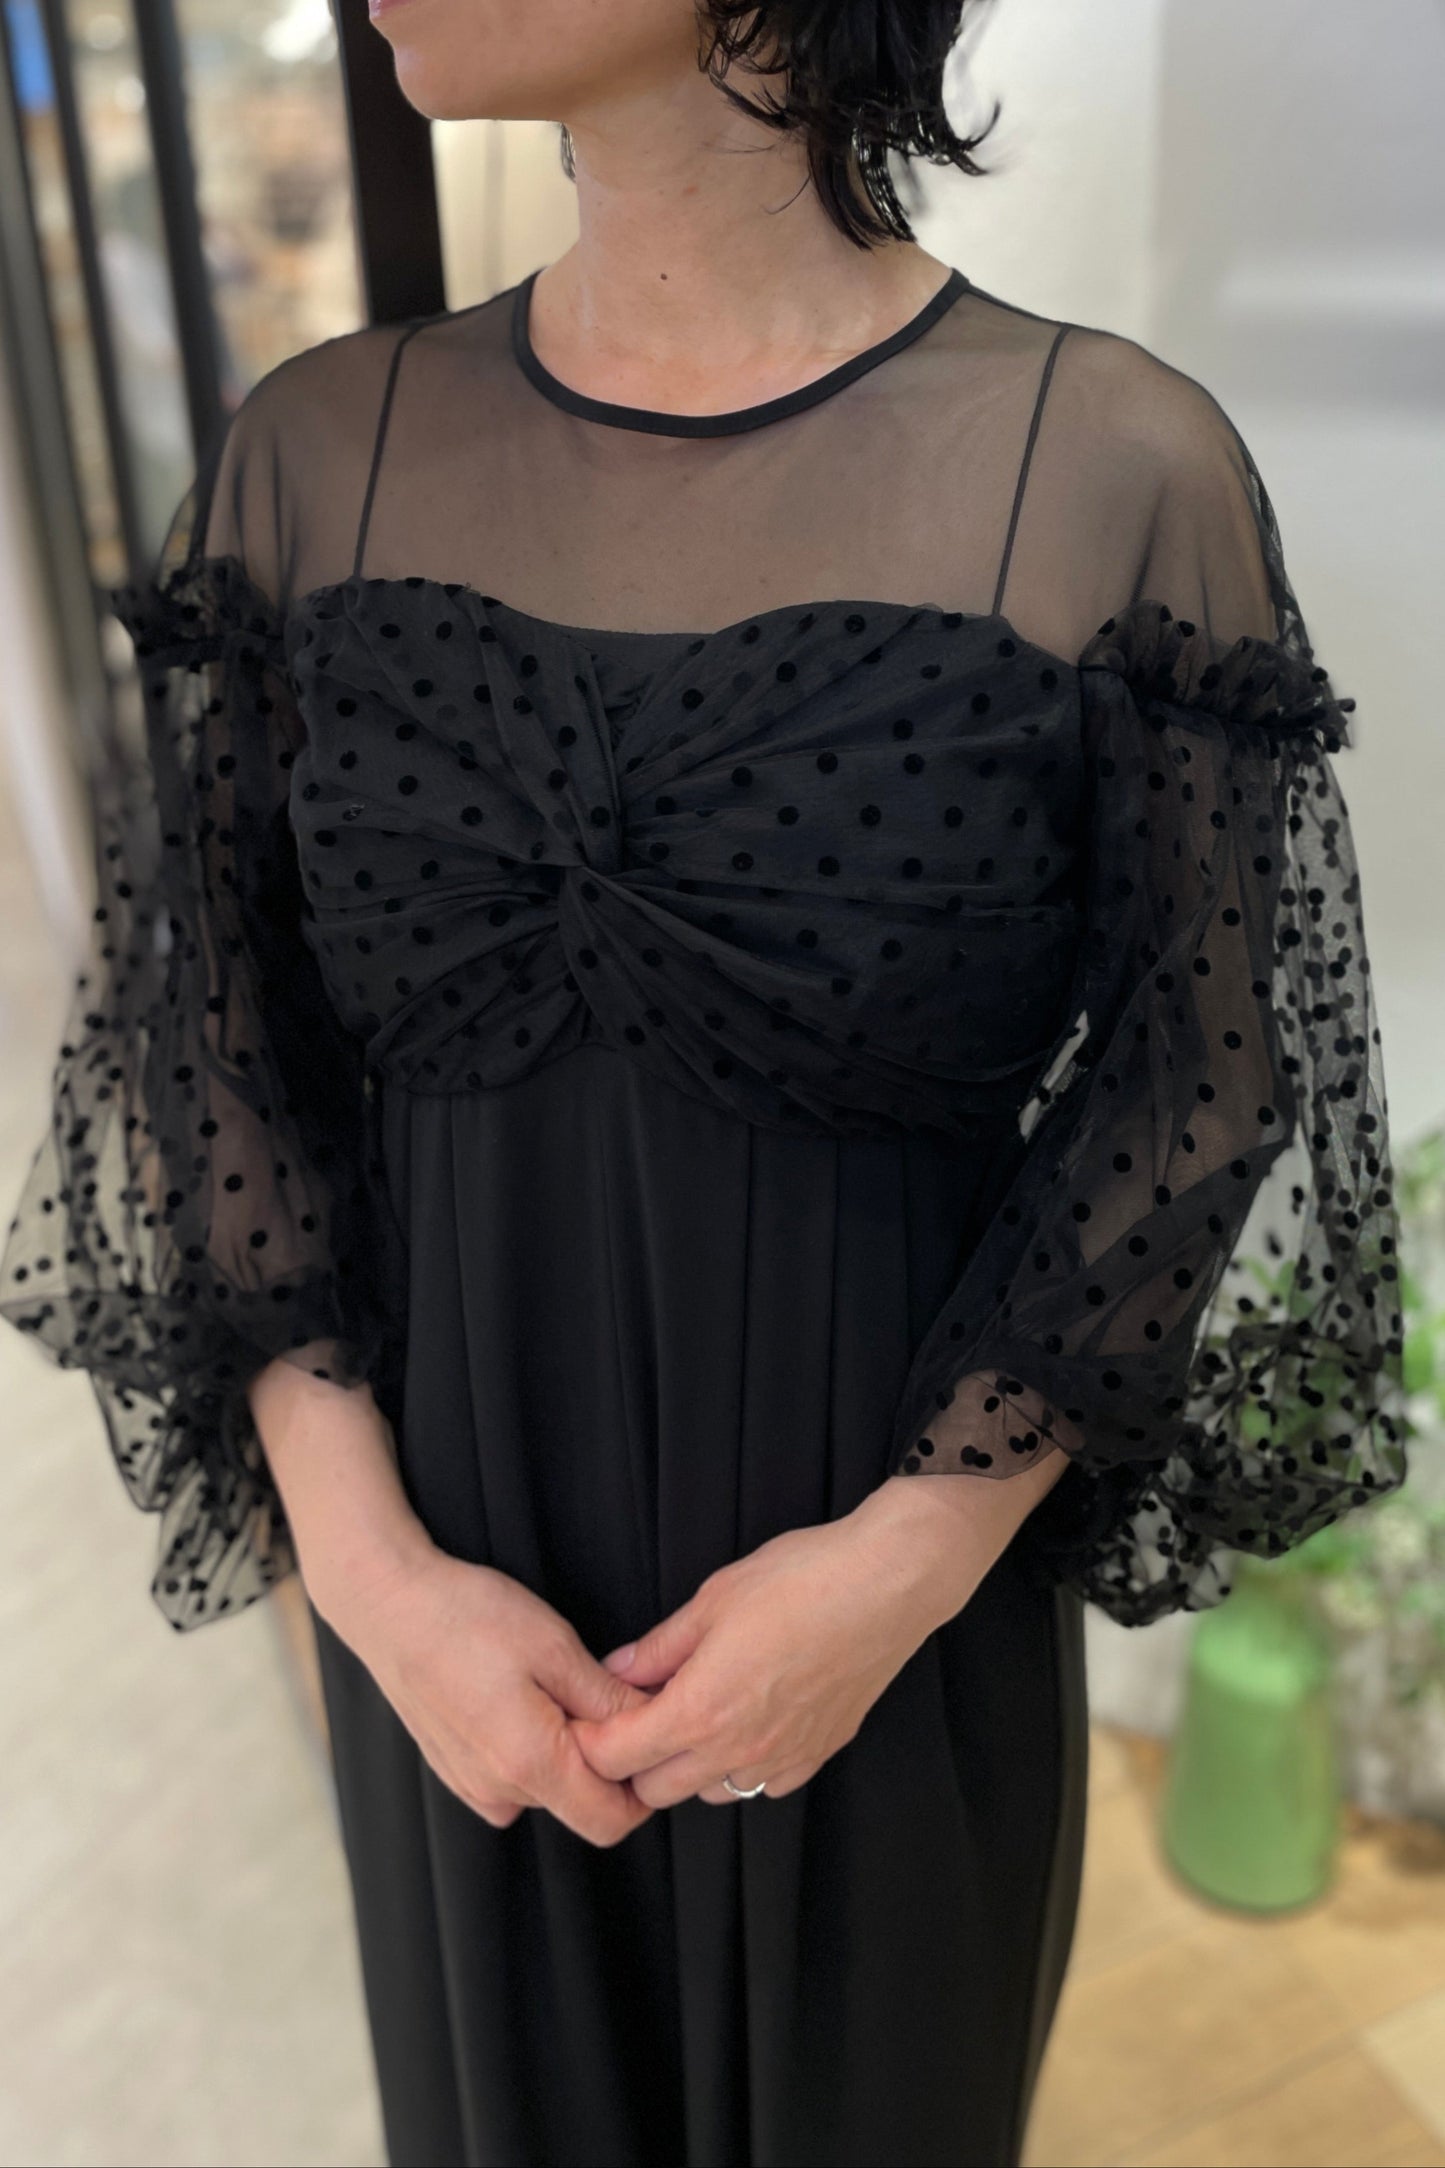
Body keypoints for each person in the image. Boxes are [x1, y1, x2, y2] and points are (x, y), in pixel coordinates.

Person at [1, 3, 1408, 2163]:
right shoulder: (315, 452)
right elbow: (215, 1048)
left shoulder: (1109, 470)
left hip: (887, 1610)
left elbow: (1199, 1080)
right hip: (454, 1605)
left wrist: (911, 1559)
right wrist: (369, 1574)